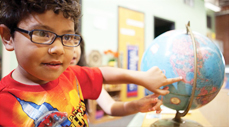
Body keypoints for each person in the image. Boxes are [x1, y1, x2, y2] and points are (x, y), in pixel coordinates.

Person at [0, 0, 182, 126]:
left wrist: (141, 80)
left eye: (68, 37)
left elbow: (102, 74)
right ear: (8, 38)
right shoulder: (4, 102)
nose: (59, 49)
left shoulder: (71, 76)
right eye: (42, 34)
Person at [71, 33, 165, 116]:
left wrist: (137, 105)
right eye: (66, 43)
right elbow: (103, 74)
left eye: (75, 43)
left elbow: (110, 105)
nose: (73, 50)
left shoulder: (82, 77)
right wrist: (144, 77)